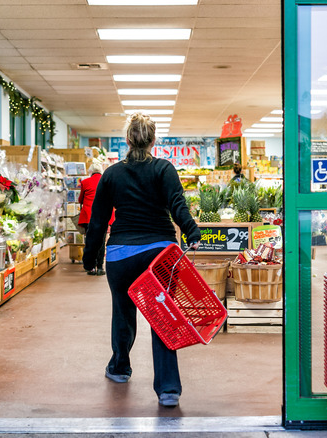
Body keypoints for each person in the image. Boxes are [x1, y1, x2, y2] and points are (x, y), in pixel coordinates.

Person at [82, 112, 201, 408]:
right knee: (163, 318)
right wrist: (192, 232)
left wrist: (90, 258)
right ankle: (169, 389)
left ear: (126, 140)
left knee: (123, 313)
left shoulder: (111, 174)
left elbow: (97, 222)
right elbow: (178, 205)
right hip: (160, 254)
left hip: (121, 254)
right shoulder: (164, 169)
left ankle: (120, 368)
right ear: (153, 140)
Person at [78, 163, 108, 275]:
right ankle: (100, 267)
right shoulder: (106, 181)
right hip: (102, 215)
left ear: (91, 171)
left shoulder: (85, 182)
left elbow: (80, 199)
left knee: (90, 241)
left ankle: (90, 267)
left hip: (88, 216)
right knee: (101, 241)